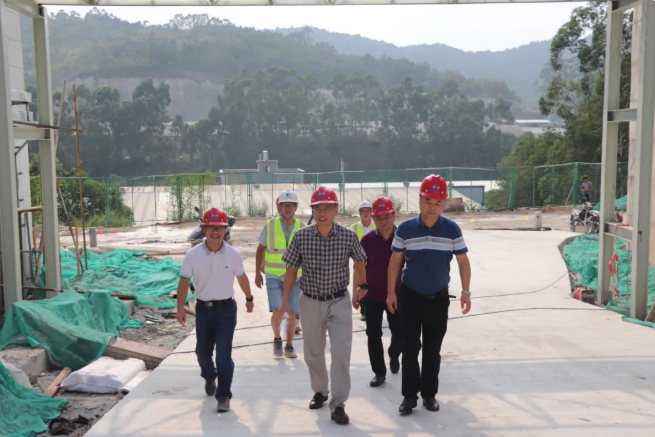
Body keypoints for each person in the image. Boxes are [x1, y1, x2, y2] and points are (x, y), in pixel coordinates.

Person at [279, 186, 368, 425]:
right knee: (313, 352)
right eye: (318, 208)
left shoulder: (348, 236)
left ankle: (338, 404)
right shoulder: (302, 237)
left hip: (338, 301)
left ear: (336, 210)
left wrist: (363, 286)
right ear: (312, 210)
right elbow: (291, 269)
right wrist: (285, 300)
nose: (322, 213)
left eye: (327, 208)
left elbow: (360, 260)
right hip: (310, 301)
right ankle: (320, 391)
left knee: (341, 352)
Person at [387, 174, 472, 416]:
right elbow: (395, 262)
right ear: (420, 200)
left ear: (443, 204)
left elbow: (463, 262)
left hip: (438, 299)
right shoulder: (406, 229)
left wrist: (465, 292)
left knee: (433, 350)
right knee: (410, 348)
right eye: (428, 201)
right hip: (410, 297)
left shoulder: (452, 229)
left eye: (437, 202)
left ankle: (429, 395)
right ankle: (409, 397)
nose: (432, 207)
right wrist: (391, 293)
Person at [176, 207, 254, 413]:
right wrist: (180, 308)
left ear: (225, 229)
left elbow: (242, 277)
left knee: (223, 355)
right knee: (202, 354)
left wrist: (249, 298)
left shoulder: (234, 254)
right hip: (203, 310)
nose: (215, 232)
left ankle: (224, 395)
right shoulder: (192, 255)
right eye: (211, 228)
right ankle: (210, 377)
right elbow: (183, 282)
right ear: (204, 229)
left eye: (219, 228)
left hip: (226, 310)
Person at [355, 196, 403, 388]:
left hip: (398, 295)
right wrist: (356, 290)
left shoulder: (403, 239)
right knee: (373, 334)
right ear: (373, 218)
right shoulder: (366, 241)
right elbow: (359, 267)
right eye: (379, 217)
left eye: (387, 216)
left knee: (399, 333)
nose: (383, 221)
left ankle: (394, 353)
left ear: (394, 216)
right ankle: (379, 372)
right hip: (372, 295)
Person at [255, 190, 306, 359]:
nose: (288, 208)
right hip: (273, 275)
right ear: (279, 208)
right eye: (285, 205)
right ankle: (277, 339)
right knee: (277, 310)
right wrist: (257, 272)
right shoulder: (270, 225)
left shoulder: (302, 227)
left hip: (296, 276)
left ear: (295, 207)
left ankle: (289, 345)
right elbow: (260, 249)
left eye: (291, 205)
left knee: (292, 312)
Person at [352, 200, 376, 321]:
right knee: (361, 285)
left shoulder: (377, 225)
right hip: (359, 261)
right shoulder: (354, 228)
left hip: (374, 261)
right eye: (363, 211)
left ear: (371, 212)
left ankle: (372, 309)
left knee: (373, 286)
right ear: (360, 213)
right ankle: (364, 310)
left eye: (368, 211)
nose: (366, 213)